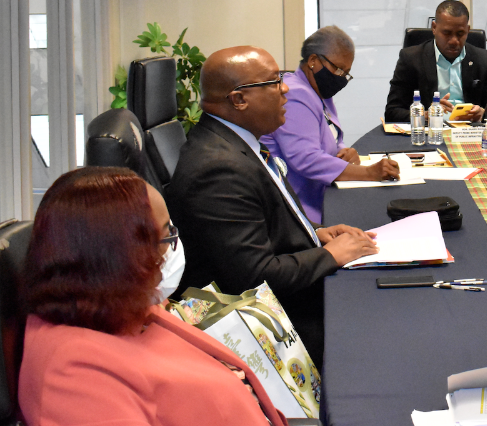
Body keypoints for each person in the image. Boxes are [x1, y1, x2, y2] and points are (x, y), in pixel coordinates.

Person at [19, 167, 288, 425]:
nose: (173, 249)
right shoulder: (73, 373)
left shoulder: (118, 307)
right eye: (167, 236)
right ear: (121, 257)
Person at [166, 45, 379, 368]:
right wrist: (330, 255)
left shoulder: (236, 144)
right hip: (272, 327)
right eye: (273, 81)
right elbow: (254, 278)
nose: (285, 89)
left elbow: (263, 221)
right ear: (239, 99)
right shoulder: (218, 169)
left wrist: (315, 233)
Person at [261, 26, 400, 224]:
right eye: (338, 69)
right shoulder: (295, 94)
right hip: (300, 206)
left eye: (346, 73)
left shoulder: (318, 92)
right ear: (313, 61)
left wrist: (345, 151)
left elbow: (331, 136)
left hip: (324, 192)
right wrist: (369, 172)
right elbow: (306, 158)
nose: (341, 77)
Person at [384, 0, 487, 122]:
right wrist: (426, 115)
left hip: (470, 130)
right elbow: (392, 112)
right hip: (432, 129)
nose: (454, 41)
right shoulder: (411, 59)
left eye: (460, 33)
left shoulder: (484, 59)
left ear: (468, 30)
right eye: (447, 33)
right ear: (434, 28)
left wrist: (483, 114)